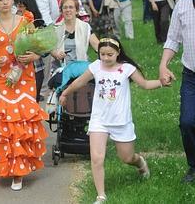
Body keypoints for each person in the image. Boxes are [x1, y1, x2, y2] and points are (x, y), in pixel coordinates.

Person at [60, 37, 163, 204]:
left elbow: (144, 84)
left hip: (121, 121)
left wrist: (161, 82)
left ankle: (140, 162)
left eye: (110, 54)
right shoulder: (95, 67)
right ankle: (101, 195)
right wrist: (65, 93)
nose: (106, 58)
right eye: (102, 54)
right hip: (99, 120)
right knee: (97, 158)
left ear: (117, 53)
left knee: (127, 158)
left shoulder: (127, 69)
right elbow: (79, 81)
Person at [0, 0, 48, 191]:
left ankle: (22, 167)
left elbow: (39, 48)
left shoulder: (26, 20)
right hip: (2, 79)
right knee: (8, 124)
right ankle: (13, 168)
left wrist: (33, 56)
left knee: (23, 121)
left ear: (13, 0)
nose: (4, 2)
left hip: (25, 77)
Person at [159, 0, 195, 183]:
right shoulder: (182, 6)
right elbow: (173, 38)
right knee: (187, 122)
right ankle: (193, 166)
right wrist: (163, 64)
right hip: (191, 75)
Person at [50, 0, 99, 72]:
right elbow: (50, 49)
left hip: (81, 67)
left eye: (71, 7)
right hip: (61, 69)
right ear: (61, 11)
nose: (68, 10)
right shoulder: (55, 28)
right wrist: (56, 54)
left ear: (76, 11)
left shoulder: (85, 27)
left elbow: (97, 45)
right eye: (65, 7)